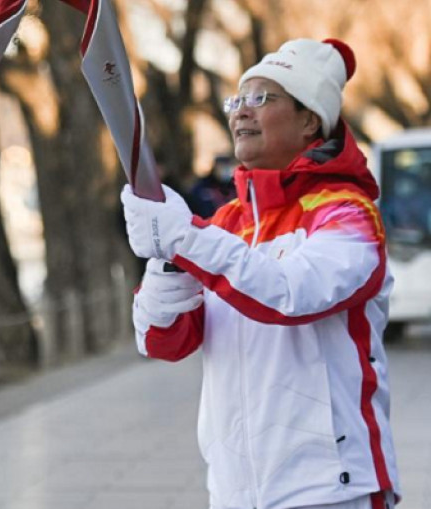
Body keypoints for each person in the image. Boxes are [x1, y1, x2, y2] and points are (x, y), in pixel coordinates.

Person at [121, 39, 400, 509]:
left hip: (331, 489)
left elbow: (289, 295)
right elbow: (161, 341)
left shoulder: (347, 214)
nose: (240, 113)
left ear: (311, 118)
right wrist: (165, 256)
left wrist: (186, 237)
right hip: (235, 491)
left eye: (261, 99)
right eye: (238, 100)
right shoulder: (225, 224)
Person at [187, 154, 236, 218]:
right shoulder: (203, 186)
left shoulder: (235, 186)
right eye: (221, 166)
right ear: (215, 167)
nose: (224, 170)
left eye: (227, 166)